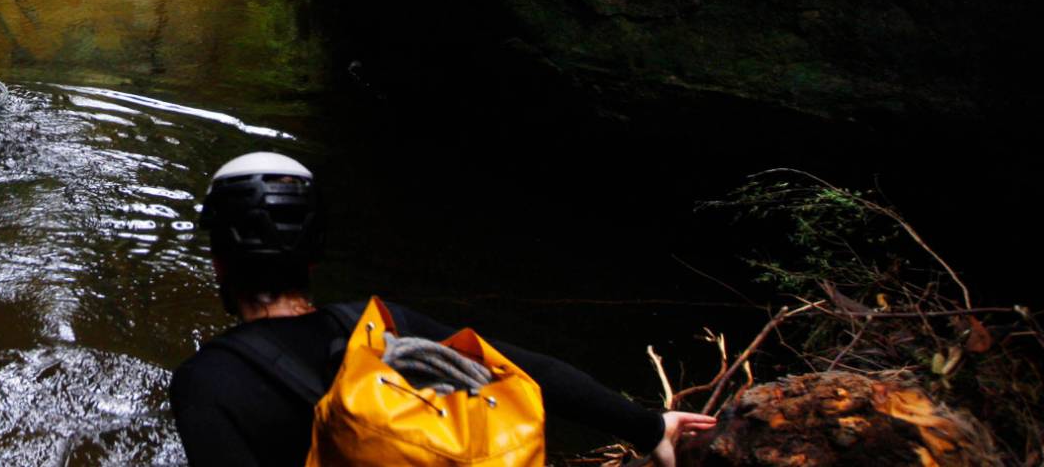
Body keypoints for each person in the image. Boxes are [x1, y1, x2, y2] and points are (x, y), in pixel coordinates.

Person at [169, 152, 716, 467]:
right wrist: (648, 427)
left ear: (218, 262)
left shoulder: (206, 381)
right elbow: (532, 374)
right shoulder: (381, 325)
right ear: (313, 258)